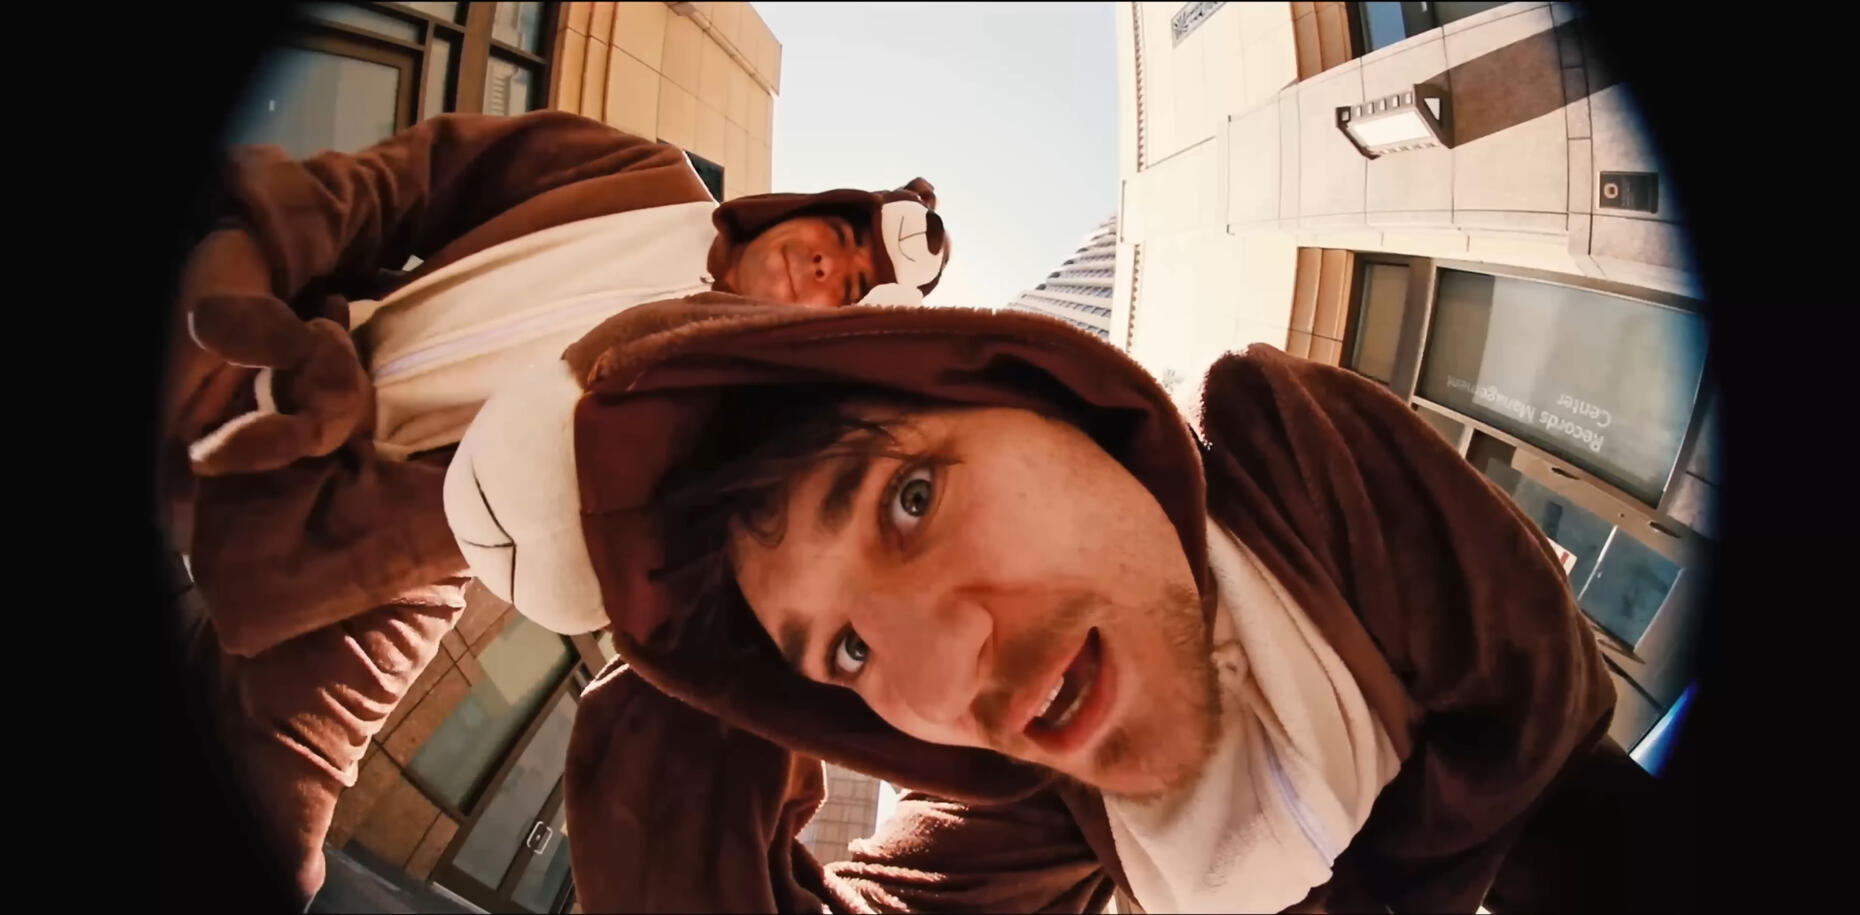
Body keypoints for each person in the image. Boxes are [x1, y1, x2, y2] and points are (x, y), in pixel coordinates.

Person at [451, 293, 1683, 912]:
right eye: (847, 653)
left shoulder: (1285, 458)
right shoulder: (1031, 804)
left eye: (911, 500)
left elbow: (1535, 744)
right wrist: (683, 691)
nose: (949, 679)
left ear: (1037, 392)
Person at [159, 109, 951, 903]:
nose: (823, 262)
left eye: (847, 287)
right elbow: (424, 175)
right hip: (282, 338)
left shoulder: (712, 424)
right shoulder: (649, 181)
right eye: (838, 235)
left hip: (379, 560)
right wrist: (257, 249)